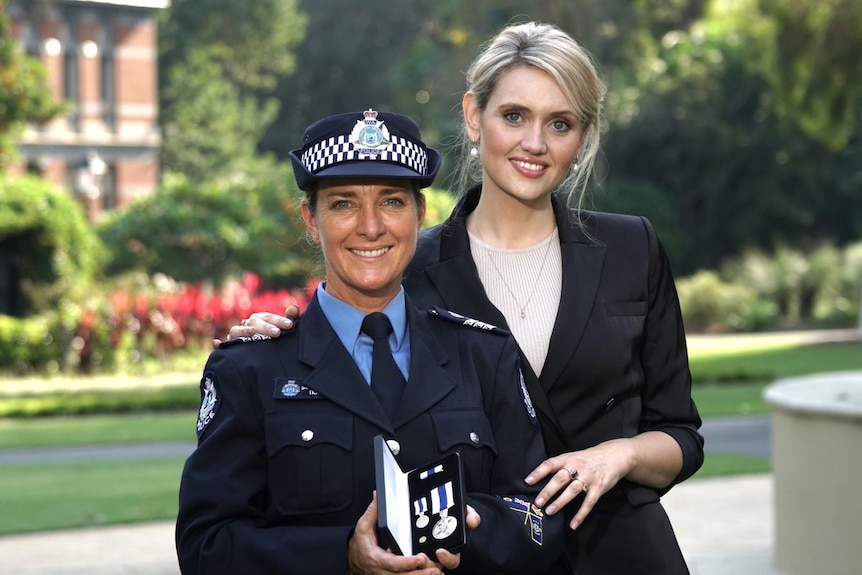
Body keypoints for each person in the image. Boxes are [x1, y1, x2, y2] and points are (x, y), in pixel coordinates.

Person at [222, 21, 703, 574]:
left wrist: (617, 454)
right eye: (514, 115)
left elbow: (682, 435)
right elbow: (336, 353)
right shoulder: (405, 263)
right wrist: (274, 337)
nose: (535, 144)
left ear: (582, 138)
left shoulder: (630, 248)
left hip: (625, 557)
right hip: (476, 560)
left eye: (561, 123)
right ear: (475, 117)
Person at [176, 108, 564, 575]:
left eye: (392, 202)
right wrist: (342, 556)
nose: (371, 227)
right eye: (343, 203)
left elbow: (539, 516)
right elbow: (207, 547)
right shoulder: (251, 369)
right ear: (311, 219)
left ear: (420, 214)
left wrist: (464, 540)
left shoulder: (484, 355)